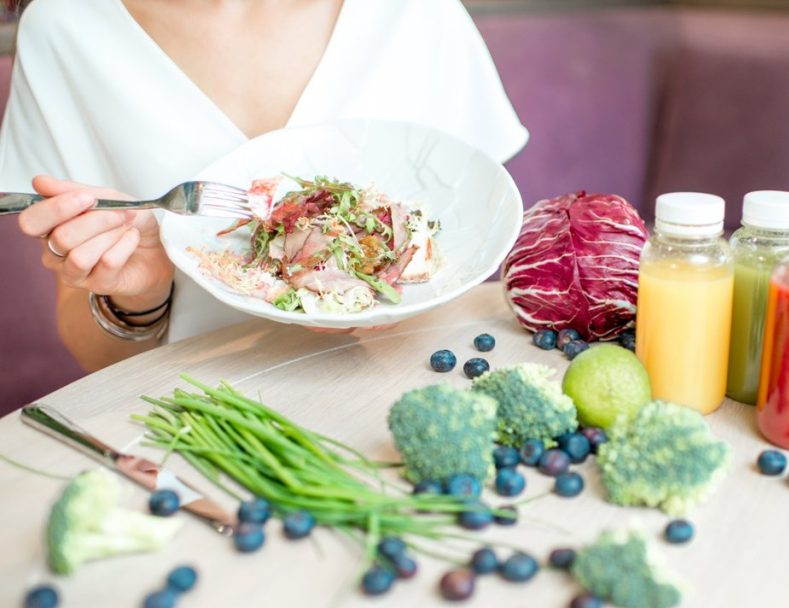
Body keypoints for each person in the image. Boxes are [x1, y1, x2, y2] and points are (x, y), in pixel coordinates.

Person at [0, 0, 528, 371]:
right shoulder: (67, 27)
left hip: (417, 379)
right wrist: (142, 296)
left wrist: (391, 297)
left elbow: (477, 248)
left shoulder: (415, 11)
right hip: (212, 417)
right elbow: (97, 356)